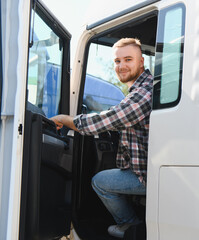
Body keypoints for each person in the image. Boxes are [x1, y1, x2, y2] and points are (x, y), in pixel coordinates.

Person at [50, 38, 153, 238]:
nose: (121, 66)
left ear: (141, 62)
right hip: (149, 169)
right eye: (117, 61)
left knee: (100, 181)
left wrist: (66, 119)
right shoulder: (142, 89)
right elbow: (118, 115)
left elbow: (110, 119)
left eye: (128, 59)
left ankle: (132, 227)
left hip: (149, 177)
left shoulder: (143, 93)